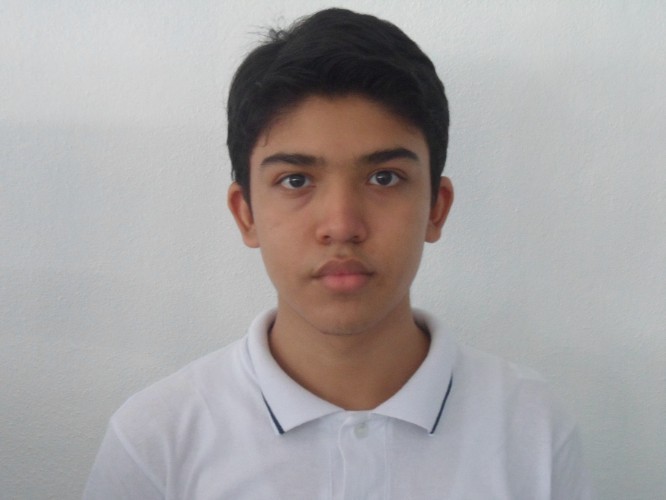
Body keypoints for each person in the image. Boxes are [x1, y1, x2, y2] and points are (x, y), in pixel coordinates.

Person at [84, 8, 592, 499]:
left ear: (436, 208)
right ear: (246, 214)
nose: (342, 226)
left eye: (384, 178)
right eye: (296, 180)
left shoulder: (533, 429)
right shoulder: (155, 441)